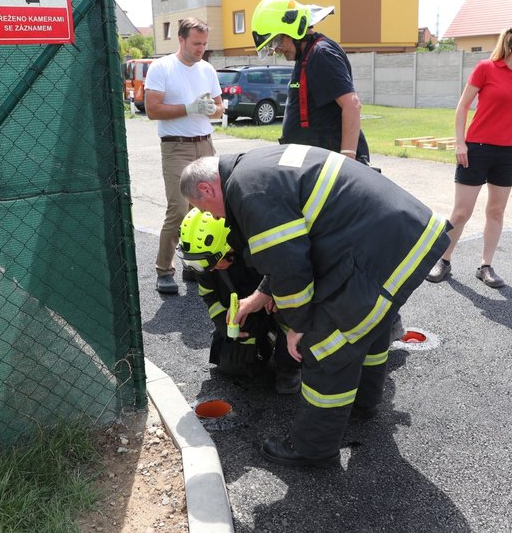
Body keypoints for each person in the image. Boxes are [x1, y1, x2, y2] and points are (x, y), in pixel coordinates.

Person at [180, 146, 450, 467]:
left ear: (206, 188)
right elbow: (295, 244)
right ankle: (363, 404)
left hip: (378, 248)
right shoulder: (254, 166)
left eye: (207, 209)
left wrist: (299, 326)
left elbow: (289, 267)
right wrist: (261, 296)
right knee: (371, 323)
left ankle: (313, 448)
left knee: (326, 345)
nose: (216, 218)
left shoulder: (246, 190)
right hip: (401, 236)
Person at [425, 22, 512, 289]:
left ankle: (486, 266)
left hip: (508, 152)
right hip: (476, 149)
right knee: (461, 212)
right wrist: (460, 143)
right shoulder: (486, 68)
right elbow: (463, 106)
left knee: (496, 211)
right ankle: (443, 260)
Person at [176, 208, 301, 394]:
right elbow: (209, 296)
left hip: (274, 306)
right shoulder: (205, 262)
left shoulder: (259, 250)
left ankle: (289, 365)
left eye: (210, 264)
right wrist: (224, 325)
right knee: (232, 365)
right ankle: (265, 340)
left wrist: (275, 293)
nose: (207, 270)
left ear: (228, 250)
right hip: (243, 312)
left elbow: (290, 275)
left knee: (287, 310)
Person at [144, 17, 224, 295]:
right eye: (196, 43)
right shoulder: (162, 67)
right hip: (176, 146)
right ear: (181, 39)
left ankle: (194, 264)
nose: (201, 48)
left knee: (205, 210)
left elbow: (219, 108)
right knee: (178, 209)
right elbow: (152, 109)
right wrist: (189, 107)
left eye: (204, 43)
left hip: (205, 144)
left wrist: (209, 110)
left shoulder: (207, 69)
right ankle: (164, 270)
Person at [250, 0, 371, 165]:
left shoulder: (321, 54)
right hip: (314, 161)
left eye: (277, 41)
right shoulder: (306, 56)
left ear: (292, 28)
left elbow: (352, 105)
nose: (276, 49)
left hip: (331, 164)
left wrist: (346, 162)